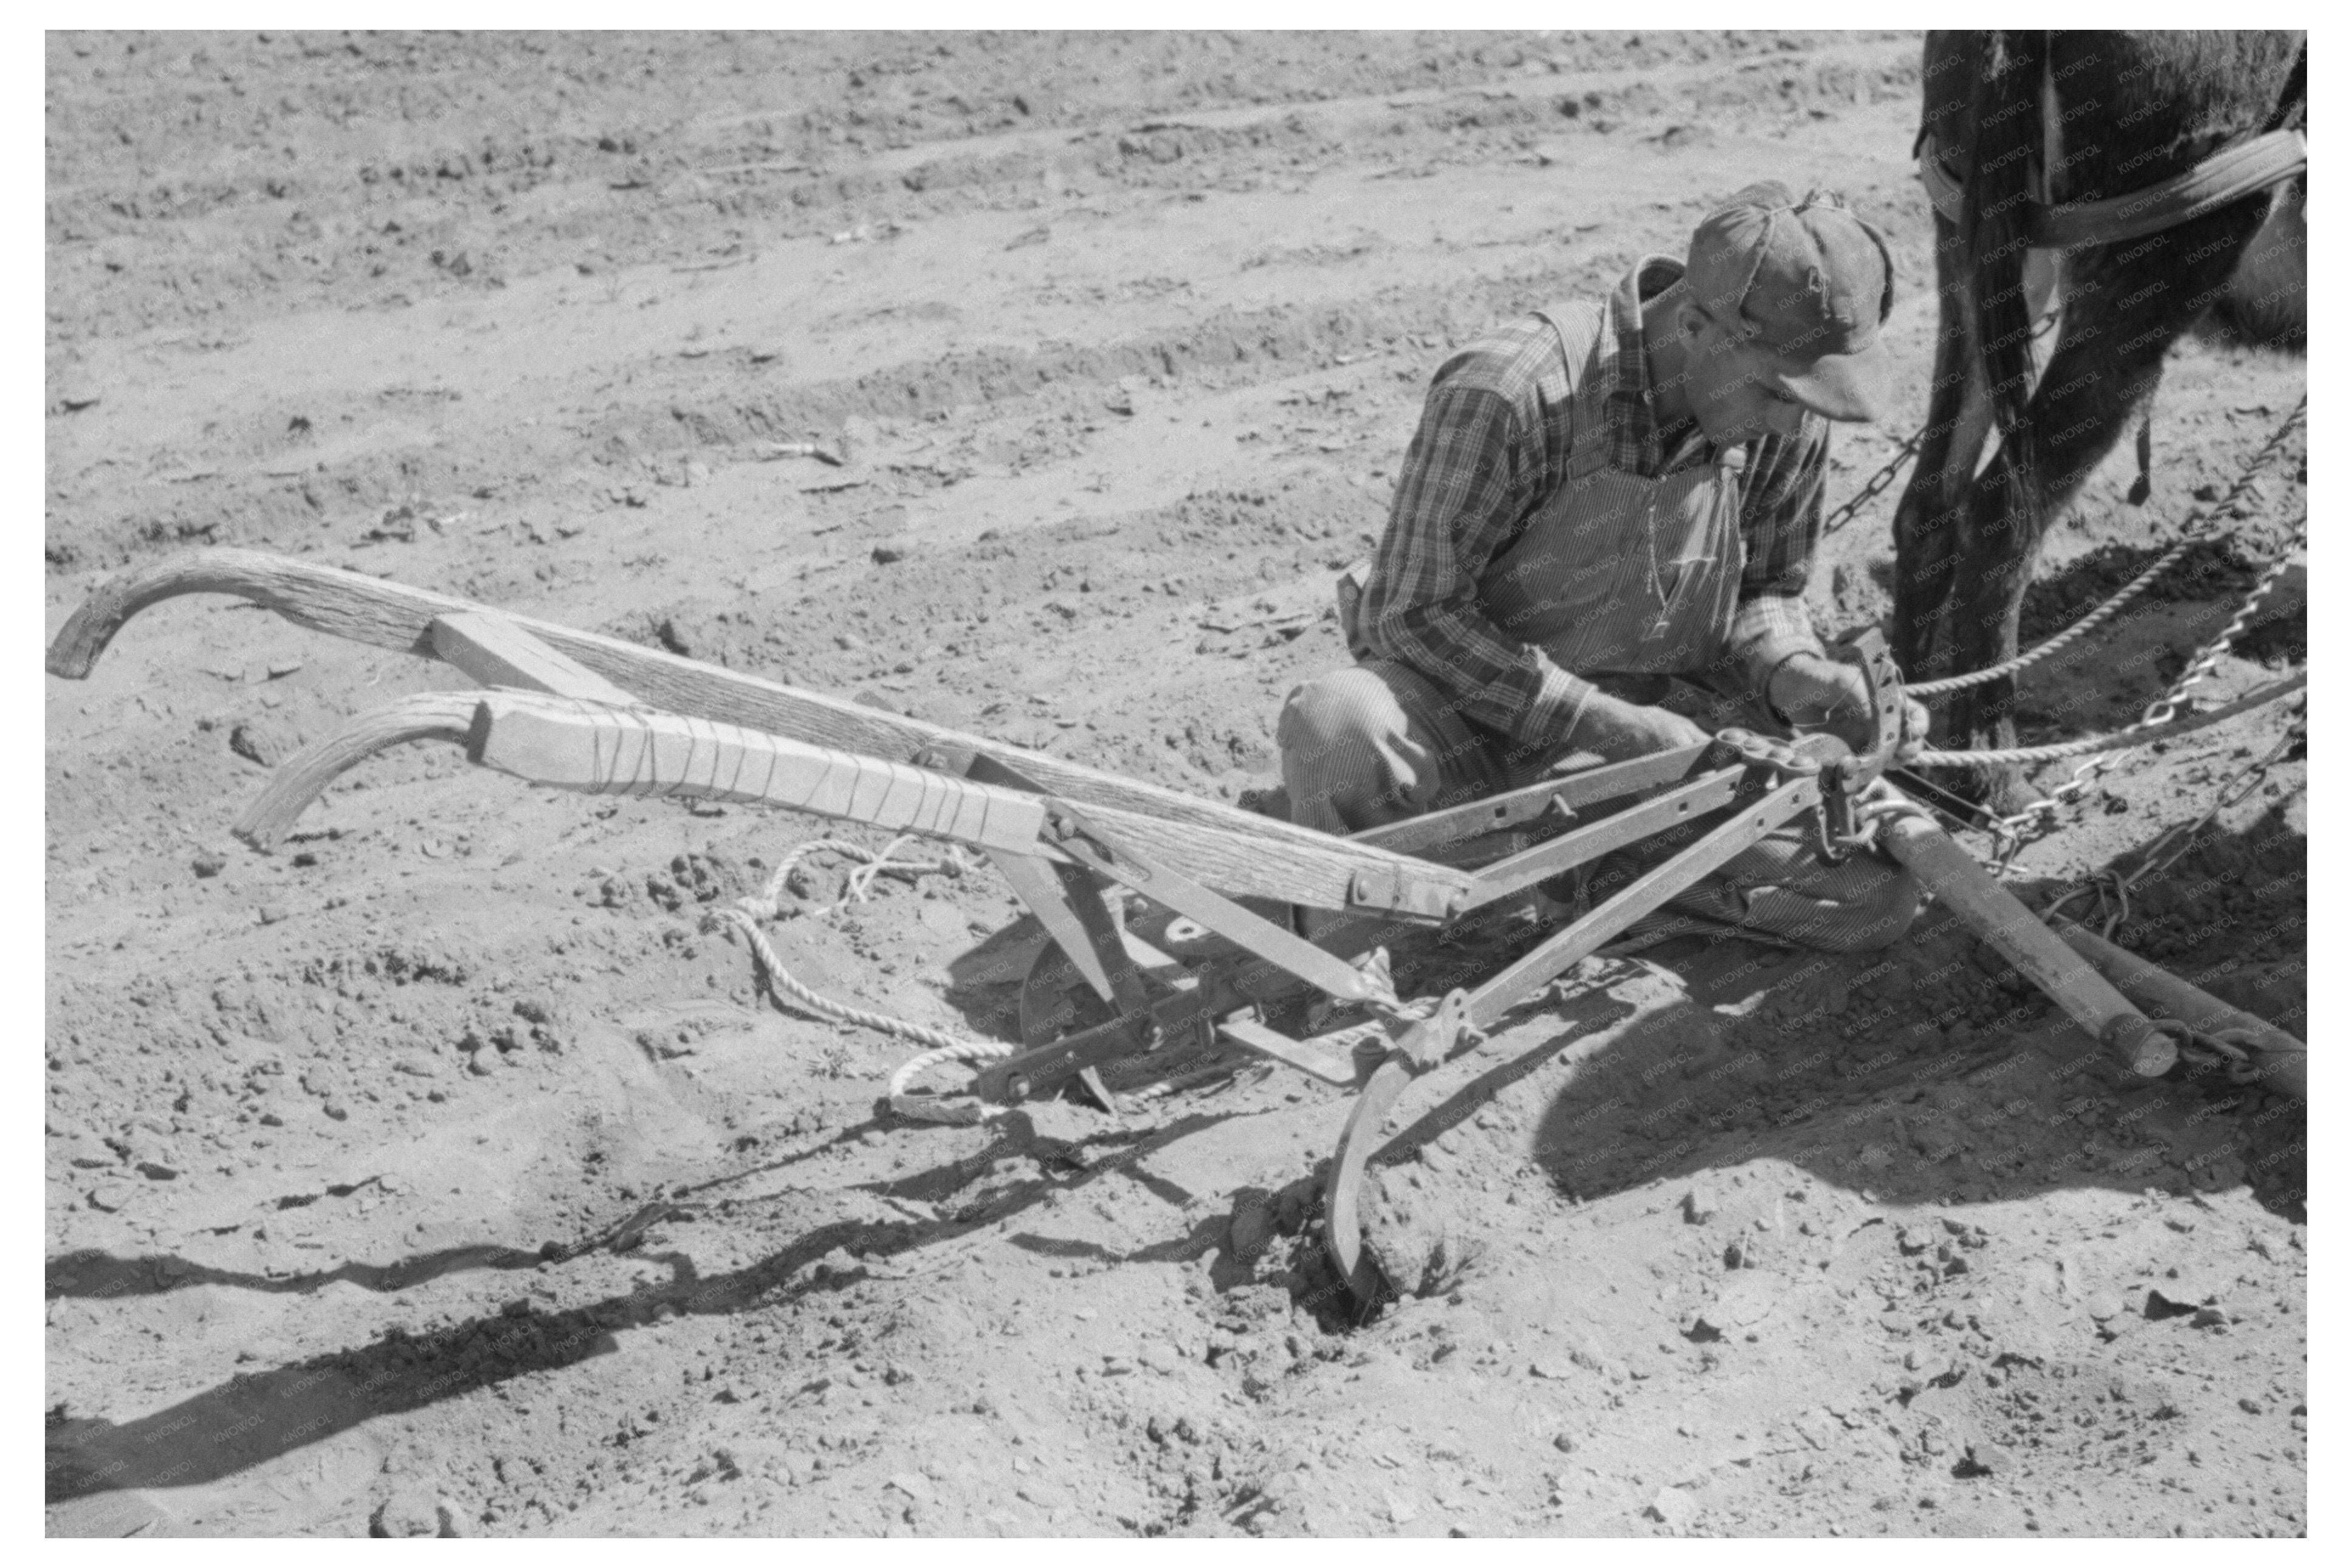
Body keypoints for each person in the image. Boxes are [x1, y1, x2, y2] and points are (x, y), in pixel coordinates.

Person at [1277, 182, 1927, 952]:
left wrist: (1790, 668)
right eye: (1779, 394)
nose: (1795, 422)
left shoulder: (1785, 412)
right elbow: (1410, 614)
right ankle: (1417, 925)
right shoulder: (1515, 390)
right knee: (1342, 725)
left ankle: (1574, 889)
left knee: (1872, 898)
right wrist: (1601, 722)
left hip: (1652, 760)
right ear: (1691, 325)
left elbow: (1767, 591)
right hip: (1474, 732)